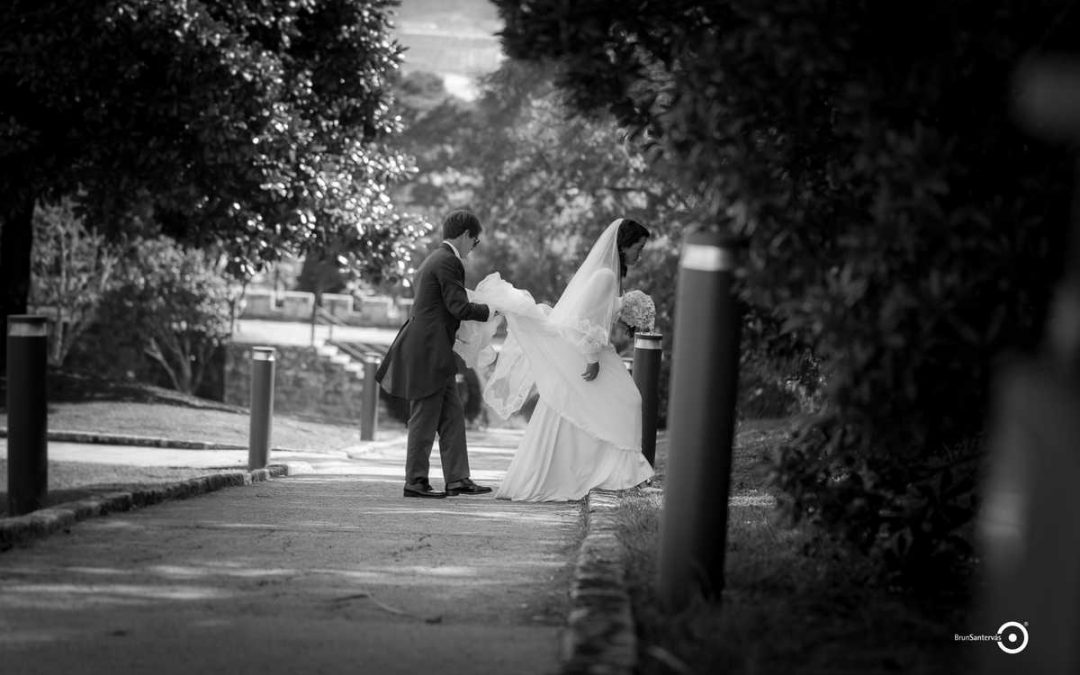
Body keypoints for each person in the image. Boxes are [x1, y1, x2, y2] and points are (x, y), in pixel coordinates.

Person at [457, 218, 654, 501]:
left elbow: (598, 311)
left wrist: (625, 307)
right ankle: (618, 473)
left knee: (578, 410)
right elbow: (583, 318)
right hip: (588, 352)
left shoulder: (608, 275)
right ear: (623, 246)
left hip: (594, 349)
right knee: (627, 401)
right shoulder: (606, 277)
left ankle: (609, 473)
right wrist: (591, 358)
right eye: (639, 247)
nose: (640, 254)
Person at [376, 209, 495, 499]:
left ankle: (457, 478)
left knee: (452, 415)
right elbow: (458, 307)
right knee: (424, 416)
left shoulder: (436, 259)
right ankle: (415, 481)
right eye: (475, 242)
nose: (472, 248)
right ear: (466, 235)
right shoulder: (449, 261)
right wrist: (491, 310)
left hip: (433, 349)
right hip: (428, 350)